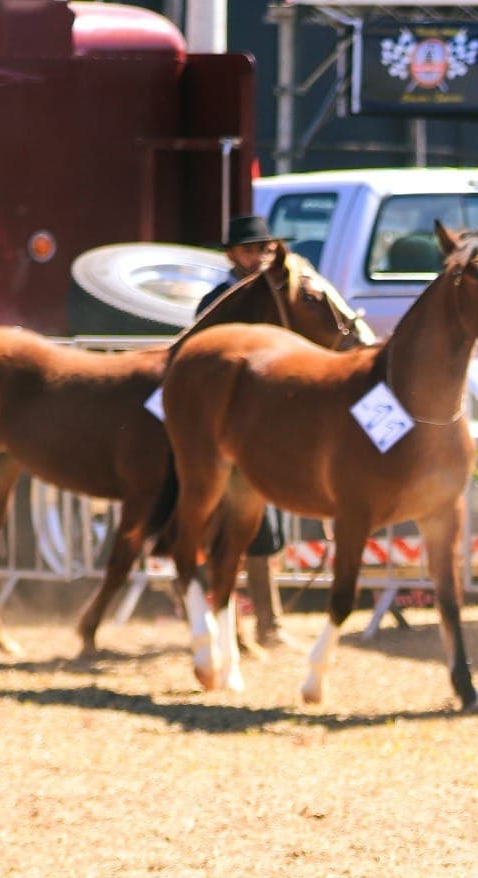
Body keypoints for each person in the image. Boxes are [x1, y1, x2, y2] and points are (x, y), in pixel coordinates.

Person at [196, 214, 287, 650]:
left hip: (262, 426)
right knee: (226, 529)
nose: (259, 258)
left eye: (264, 250)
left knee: (263, 529)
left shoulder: (278, 297)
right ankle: (231, 627)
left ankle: (270, 624)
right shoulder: (216, 302)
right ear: (232, 254)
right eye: (250, 250)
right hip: (221, 427)